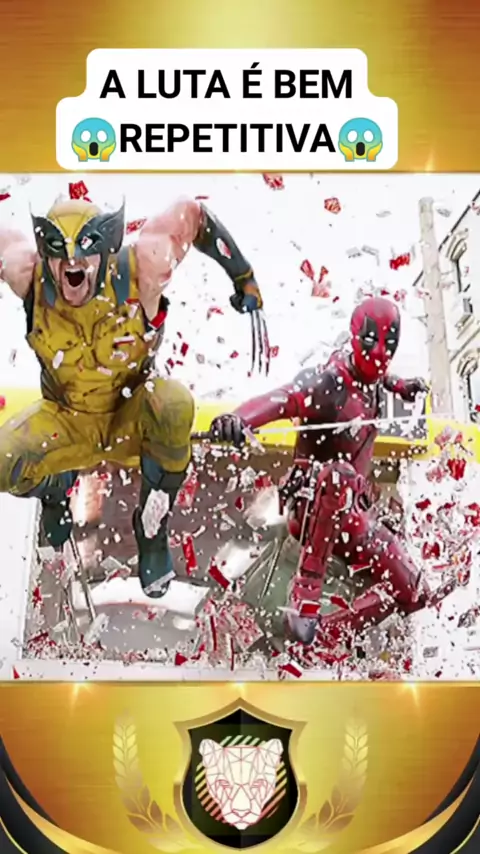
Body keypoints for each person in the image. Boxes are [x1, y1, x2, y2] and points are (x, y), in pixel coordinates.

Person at [0, 195, 268, 598]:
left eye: (83, 250)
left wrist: (242, 275)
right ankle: (55, 487)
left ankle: (152, 525)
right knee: (3, 459)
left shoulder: (143, 267)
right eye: (59, 252)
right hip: (66, 420)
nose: (72, 263)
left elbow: (191, 215)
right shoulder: (27, 273)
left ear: (105, 247)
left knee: (174, 403)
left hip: (130, 416)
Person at [210, 297, 454, 646]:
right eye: (370, 341)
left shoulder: (372, 380)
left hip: (354, 517)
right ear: (355, 338)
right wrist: (238, 419)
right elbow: (282, 398)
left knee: (414, 592)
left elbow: (380, 377)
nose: (380, 352)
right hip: (312, 507)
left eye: (389, 343)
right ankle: (306, 591)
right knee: (338, 475)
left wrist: (402, 387)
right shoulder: (326, 383)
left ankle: (327, 635)